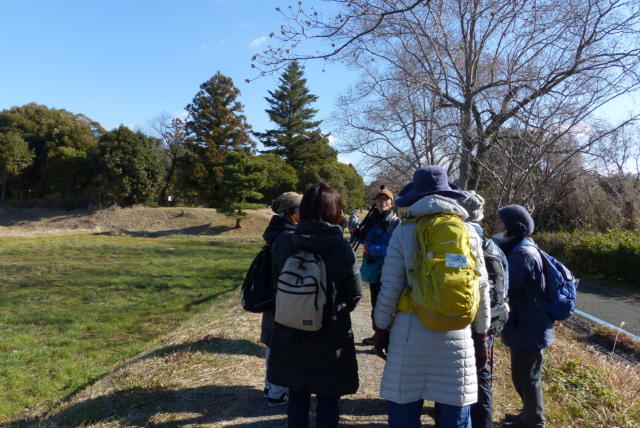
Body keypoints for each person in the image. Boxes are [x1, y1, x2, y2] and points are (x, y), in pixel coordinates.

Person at [373, 166, 490, 428]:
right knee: (455, 418)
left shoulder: (404, 231)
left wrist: (380, 329)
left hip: (409, 334)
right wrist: (481, 336)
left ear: (416, 195)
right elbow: (482, 288)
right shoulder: (469, 232)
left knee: (404, 414)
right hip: (457, 333)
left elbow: (389, 287)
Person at [268, 182, 363, 428]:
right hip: (329, 333)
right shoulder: (340, 246)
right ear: (334, 210)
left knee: (297, 391)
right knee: (328, 395)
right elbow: (354, 294)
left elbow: (275, 282)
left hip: (289, 330)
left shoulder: (284, 241)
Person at [494, 205, 551, 428]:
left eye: (500, 222)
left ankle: (535, 421)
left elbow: (507, 287)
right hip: (526, 324)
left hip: (529, 326)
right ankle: (528, 414)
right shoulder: (520, 248)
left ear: (511, 228)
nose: (496, 225)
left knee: (528, 377)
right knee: (522, 375)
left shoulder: (522, 254)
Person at [459, 191, 510, 428]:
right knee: (483, 376)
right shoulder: (494, 247)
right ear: (481, 216)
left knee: (457, 377)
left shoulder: (457, 241)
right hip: (489, 323)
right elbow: (505, 286)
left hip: (461, 320)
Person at [260, 192, 302, 407]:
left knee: (275, 345)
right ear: (290, 212)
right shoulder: (286, 237)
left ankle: (271, 387)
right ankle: (276, 393)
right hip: (283, 301)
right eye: (301, 208)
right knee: (281, 347)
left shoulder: (276, 231)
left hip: (274, 299)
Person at [356, 187, 400, 346]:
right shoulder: (372, 220)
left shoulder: (396, 223)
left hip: (388, 270)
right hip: (373, 269)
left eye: (385, 199)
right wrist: (358, 235)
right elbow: (365, 241)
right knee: (375, 303)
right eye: (379, 199)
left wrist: (374, 249)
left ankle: (387, 338)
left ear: (392, 203)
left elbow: (397, 248)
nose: (382, 202)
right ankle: (378, 335)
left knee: (386, 305)